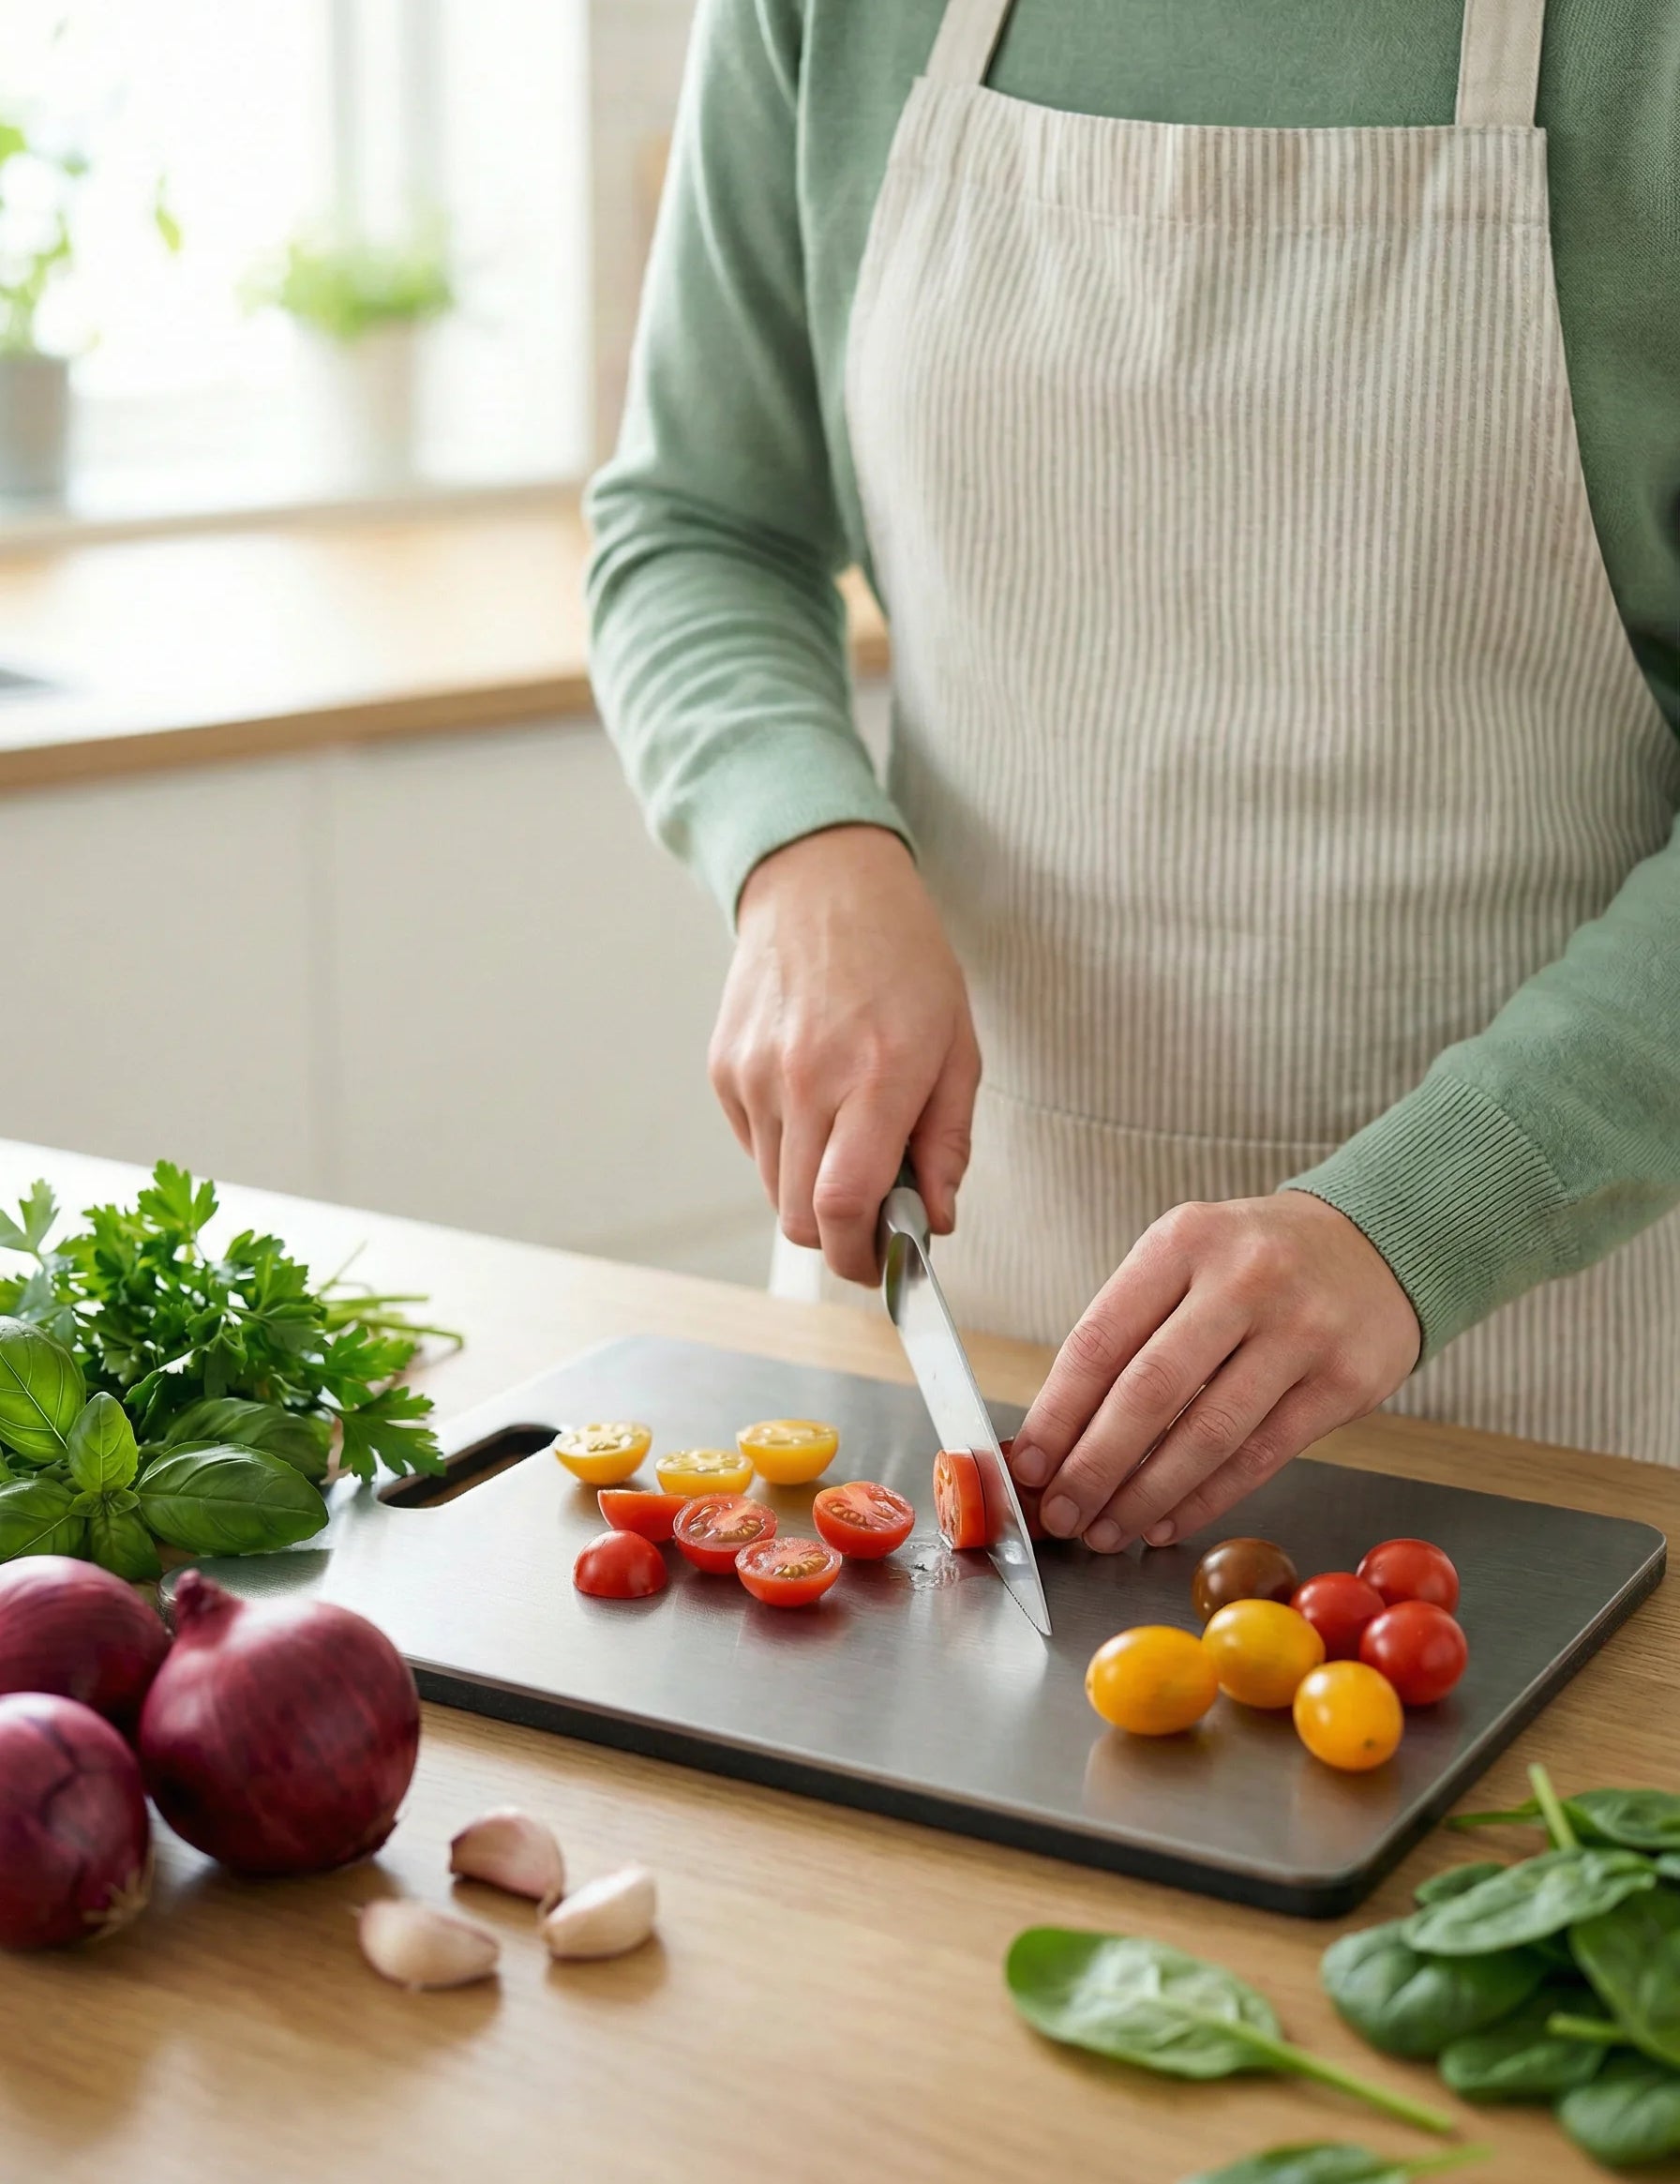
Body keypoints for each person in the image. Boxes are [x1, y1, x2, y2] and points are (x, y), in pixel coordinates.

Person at [586, 0, 1680, 1556]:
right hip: (955, 1329)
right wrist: (801, 853)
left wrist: (1426, 1215)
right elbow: (700, 522)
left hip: (1555, 1378)